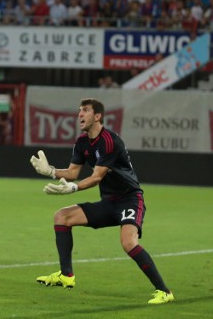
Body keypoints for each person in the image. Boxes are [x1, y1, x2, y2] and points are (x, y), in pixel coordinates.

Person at [29, 98, 174, 305]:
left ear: (97, 116)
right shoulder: (81, 142)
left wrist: (74, 187)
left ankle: (164, 291)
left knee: (128, 242)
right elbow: (72, 172)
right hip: (109, 202)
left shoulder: (110, 141)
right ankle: (66, 276)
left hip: (130, 199)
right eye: (79, 110)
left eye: (85, 111)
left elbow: (97, 176)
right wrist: (50, 171)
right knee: (62, 216)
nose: (80, 114)